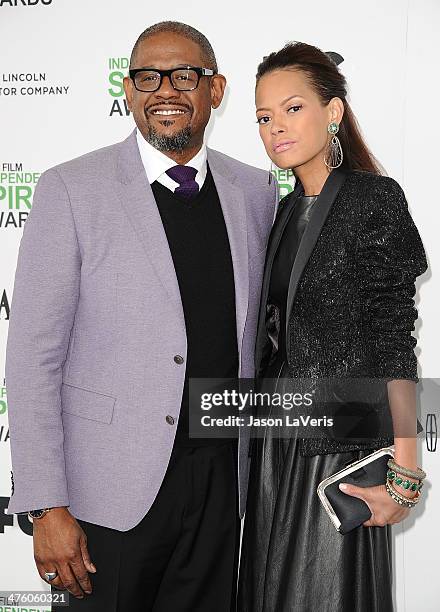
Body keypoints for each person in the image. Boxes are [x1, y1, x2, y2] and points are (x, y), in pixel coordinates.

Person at [5, 21, 278, 611]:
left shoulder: (255, 191)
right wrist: (45, 504)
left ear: (216, 89)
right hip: (107, 493)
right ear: (128, 91)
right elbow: (32, 358)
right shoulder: (71, 189)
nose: (165, 91)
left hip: (220, 484)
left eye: (185, 75)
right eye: (147, 77)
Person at [237, 42, 428, 612]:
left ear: (335, 111)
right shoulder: (283, 210)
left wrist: (406, 470)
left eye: (292, 109)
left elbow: (396, 338)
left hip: (336, 449)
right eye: (264, 118)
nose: (276, 129)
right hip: (275, 444)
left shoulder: (375, 200)